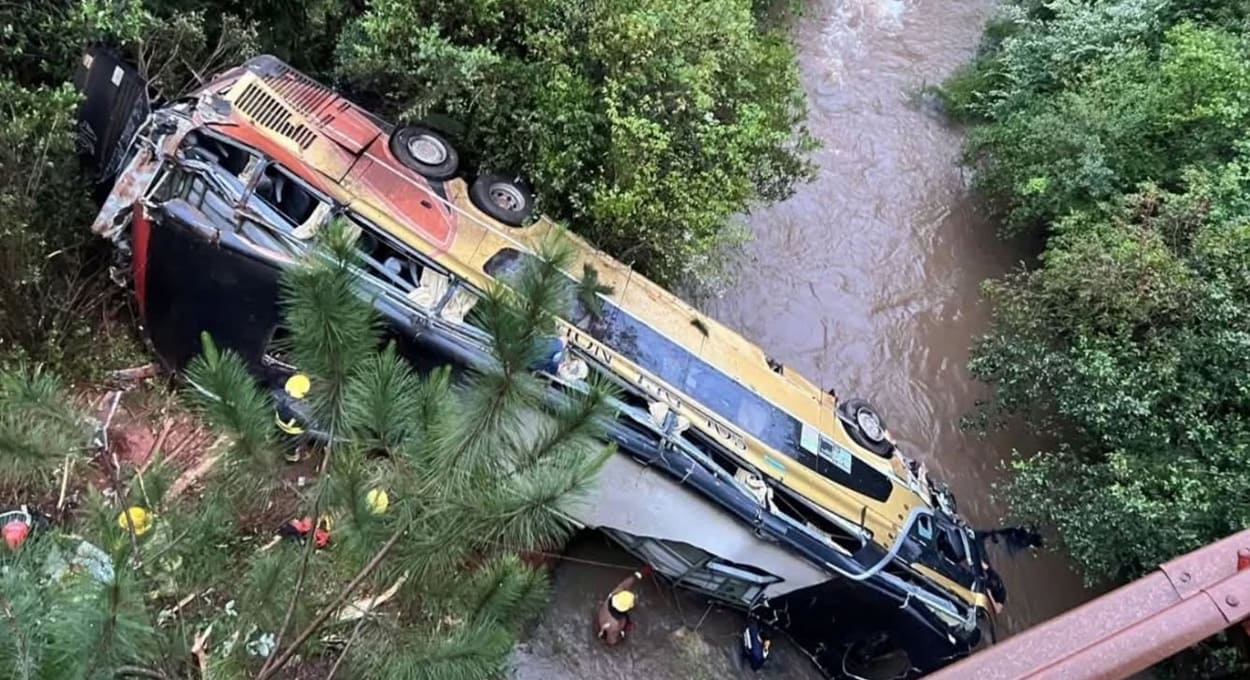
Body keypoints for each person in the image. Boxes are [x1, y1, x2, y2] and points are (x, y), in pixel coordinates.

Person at [596, 566, 652, 645]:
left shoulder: (613, 595)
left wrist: (640, 574)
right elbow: (611, 641)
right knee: (626, 627)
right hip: (608, 627)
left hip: (603, 617)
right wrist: (622, 638)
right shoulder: (616, 625)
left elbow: (625, 584)